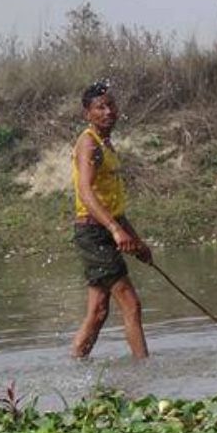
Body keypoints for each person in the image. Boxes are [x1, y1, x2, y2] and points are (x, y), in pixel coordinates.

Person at [69, 80, 150, 359]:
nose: (108, 112)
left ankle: (76, 363)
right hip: (93, 232)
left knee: (98, 311)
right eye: (100, 107)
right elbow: (86, 192)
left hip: (105, 228)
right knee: (131, 303)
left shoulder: (107, 145)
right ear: (87, 114)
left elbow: (113, 204)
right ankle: (145, 371)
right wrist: (115, 230)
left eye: (111, 105)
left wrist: (136, 241)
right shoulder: (89, 144)